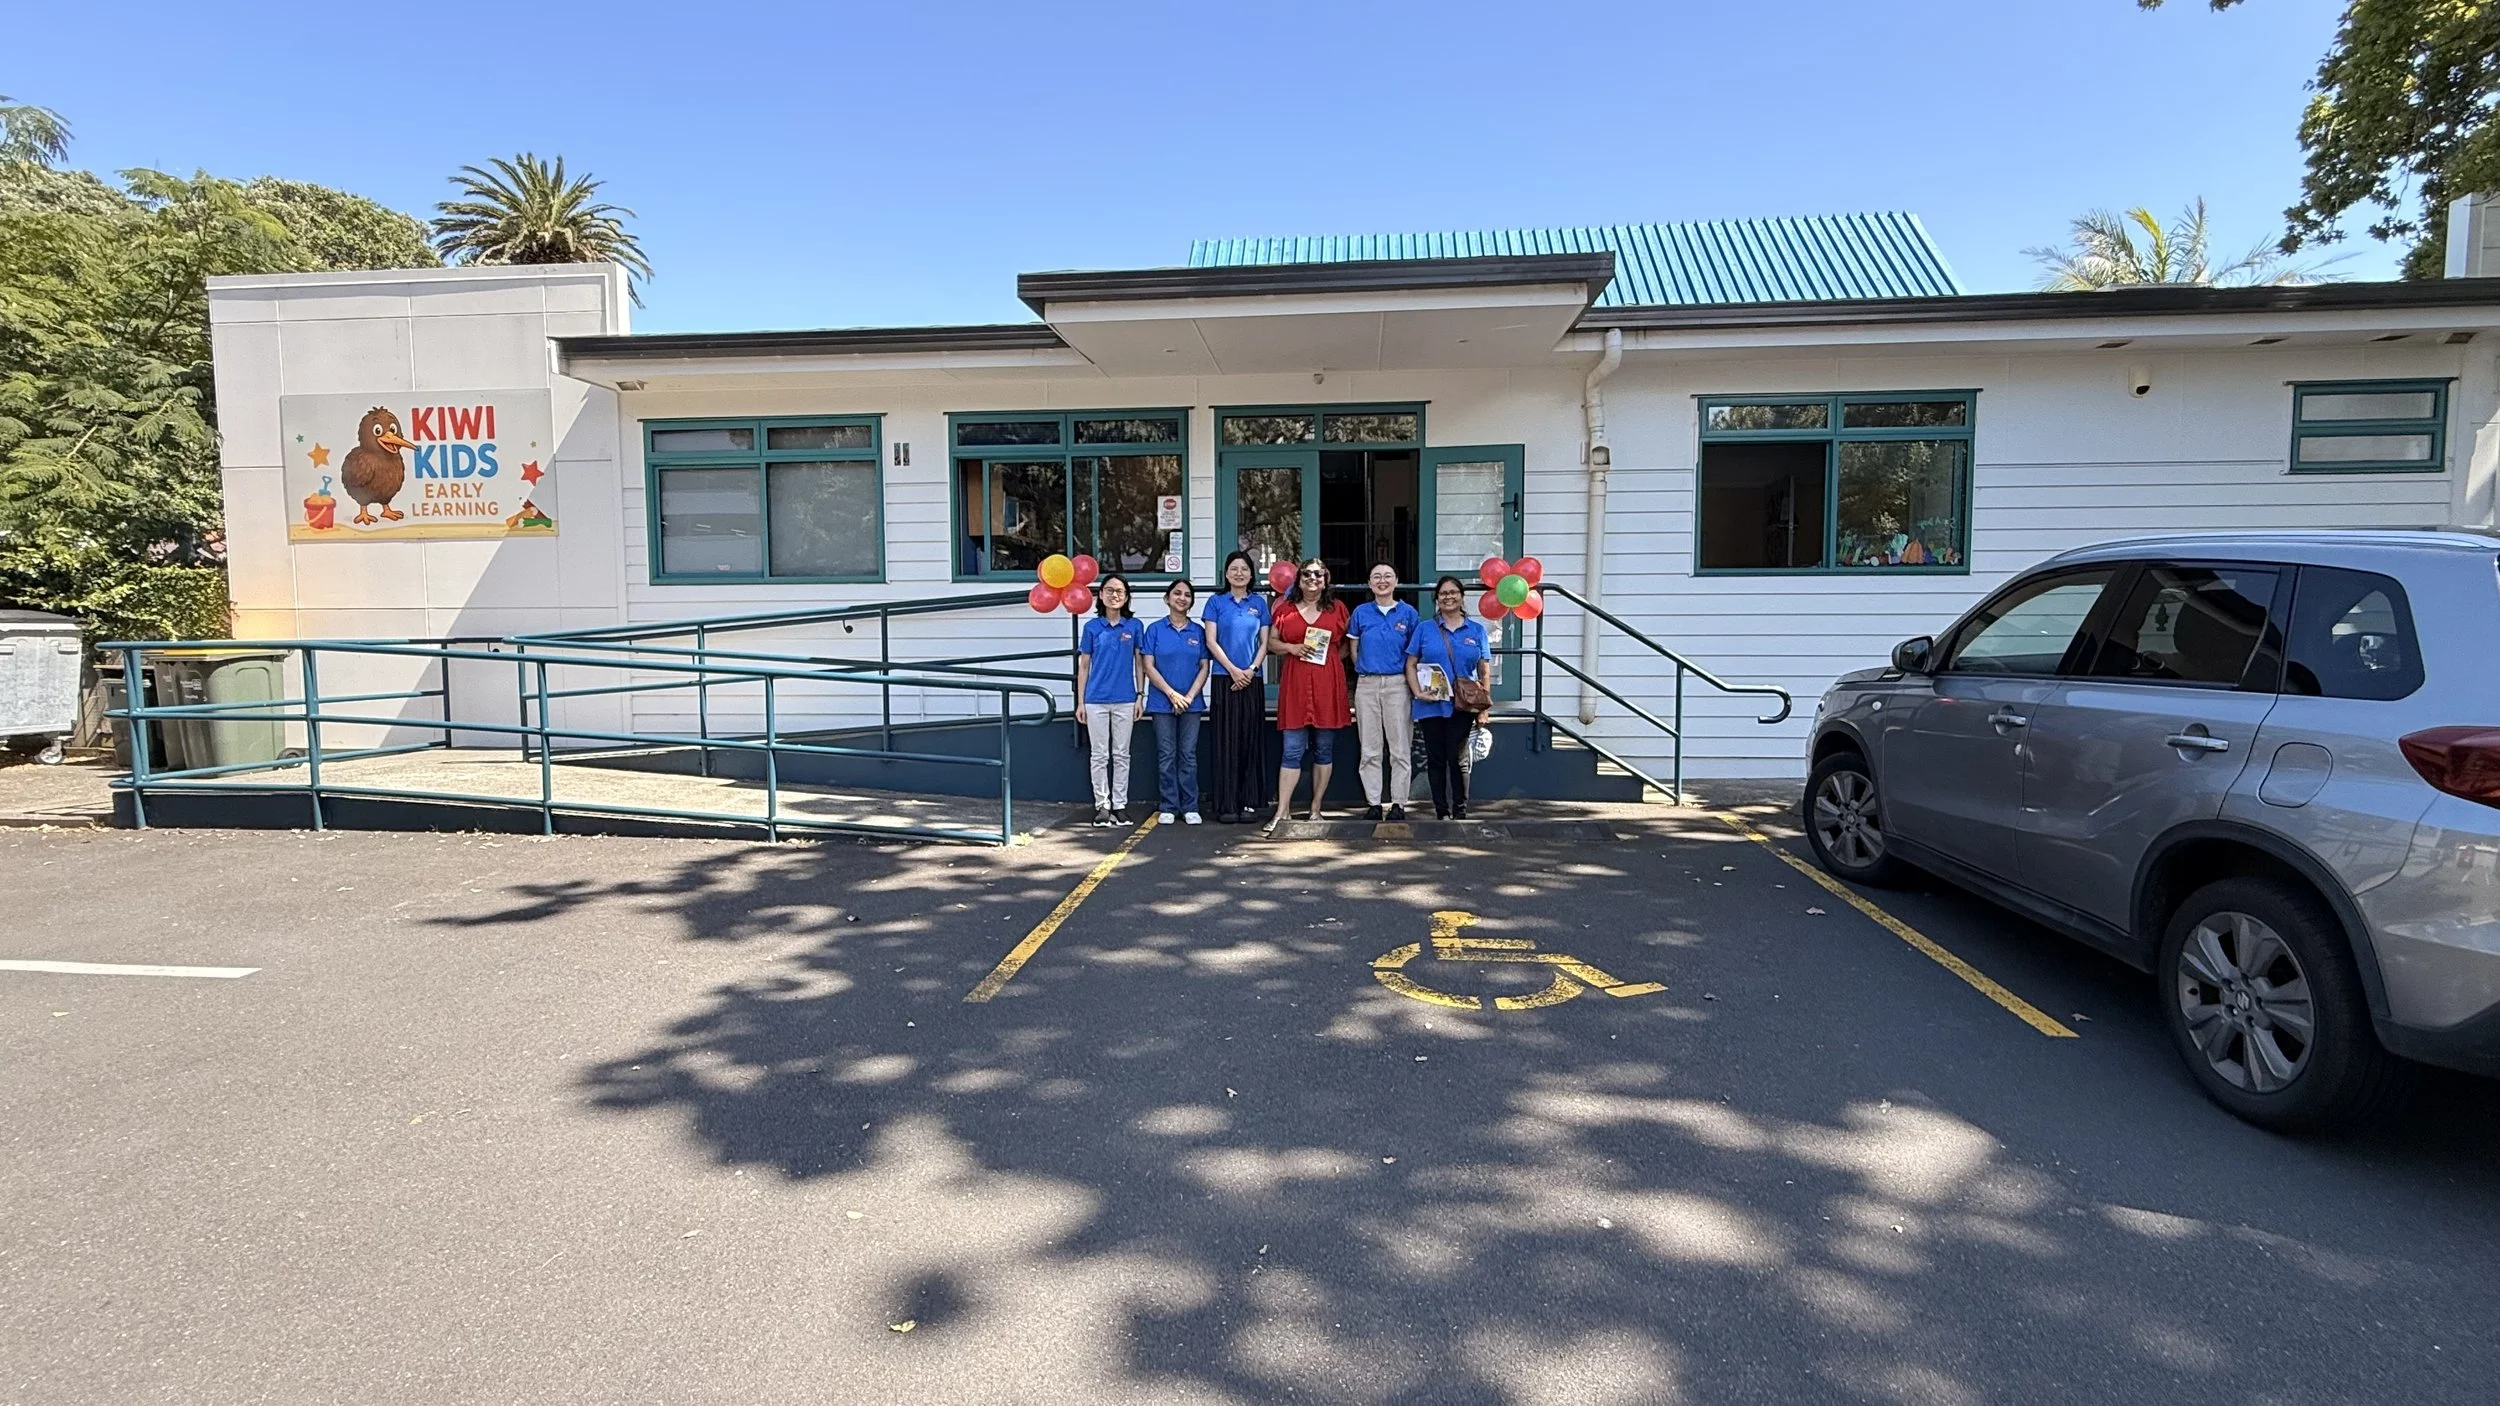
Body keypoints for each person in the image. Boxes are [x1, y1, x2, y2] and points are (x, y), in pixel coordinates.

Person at [1264, 557, 1350, 836]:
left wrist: (1330, 662)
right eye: (1307, 574)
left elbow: (1348, 645)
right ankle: (1282, 811)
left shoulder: (1338, 609)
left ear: (1326, 580)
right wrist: (1292, 647)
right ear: (1298, 579)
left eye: (1318, 574)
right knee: (1291, 749)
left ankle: (1315, 808)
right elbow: (1271, 643)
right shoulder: (1286, 609)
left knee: (1324, 748)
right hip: (1296, 684)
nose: (1312, 579)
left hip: (1327, 685)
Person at [1407, 574, 1494, 820]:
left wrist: (1484, 708)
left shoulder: (1476, 630)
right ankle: (1441, 812)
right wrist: (1417, 692)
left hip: (1463, 704)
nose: (1448, 597)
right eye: (1443, 593)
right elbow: (1410, 663)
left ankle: (1460, 811)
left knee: (1458, 758)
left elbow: (1484, 670)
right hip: (1431, 704)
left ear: (1462, 596)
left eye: (1453, 592)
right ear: (1437, 599)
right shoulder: (1425, 628)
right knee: (1435, 758)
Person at [1345, 562, 1420, 821]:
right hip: (1367, 684)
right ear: (1369, 583)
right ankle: (1374, 802)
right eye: (1376, 576)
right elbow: (1353, 649)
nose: (1382, 580)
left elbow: (1414, 653)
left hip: (1398, 684)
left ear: (1396, 581)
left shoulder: (1408, 613)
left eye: (1388, 576)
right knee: (1370, 748)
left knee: (1400, 748)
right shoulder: (1361, 613)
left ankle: (1399, 803)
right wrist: (1366, 671)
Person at [1202, 550, 1273, 823]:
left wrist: (1251, 670)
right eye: (1234, 568)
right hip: (1224, 678)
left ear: (1251, 574)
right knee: (1225, 741)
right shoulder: (1216, 603)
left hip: (1252, 680)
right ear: (1226, 573)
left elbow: (1264, 643)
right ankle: (1226, 803)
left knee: (1250, 740)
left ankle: (1249, 802)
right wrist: (1233, 670)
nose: (1239, 573)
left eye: (1244, 568)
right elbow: (1211, 641)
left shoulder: (1259, 604)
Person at [1074, 574, 1145, 827]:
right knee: (1099, 755)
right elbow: (1084, 666)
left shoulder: (1134, 626)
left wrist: (1140, 695)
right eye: (1110, 590)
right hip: (1095, 700)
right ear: (1101, 594)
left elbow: (1140, 662)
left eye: (1121, 591)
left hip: (1126, 698)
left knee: (1122, 754)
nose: (1115, 595)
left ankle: (1120, 805)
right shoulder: (1092, 628)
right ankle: (1102, 805)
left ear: (1126, 597)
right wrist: (1080, 702)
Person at [1141, 579, 1212, 825]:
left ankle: (1190, 805)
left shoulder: (1199, 632)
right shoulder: (1155, 630)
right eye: (1177, 593)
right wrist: (1171, 694)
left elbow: (1204, 667)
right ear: (1167, 598)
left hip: (1192, 703)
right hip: (1162, 703)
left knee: (1188, 755)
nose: (1182, 598)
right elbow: (1148, 666)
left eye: (1187, 595)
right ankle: (1169, 805)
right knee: (1166, 755)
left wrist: (1189, 697)